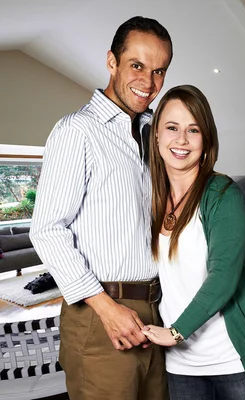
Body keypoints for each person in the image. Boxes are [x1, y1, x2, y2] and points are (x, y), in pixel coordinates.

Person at [30, 16, 173, 400]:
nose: (149, 82)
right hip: (100, 313)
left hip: (154, 313)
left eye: (159, 70)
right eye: (137, 65)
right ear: (112, 61)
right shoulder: (77, 130)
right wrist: (106, 309)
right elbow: (46, 229)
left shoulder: (151, 135)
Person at [141, 84, 245, 400]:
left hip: (234, 360)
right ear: (157, 136)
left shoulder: (223, 194)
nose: (182, 140)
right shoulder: (149, 200)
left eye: (194, 130)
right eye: (172, 128)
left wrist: (176, 332)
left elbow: (224, 278)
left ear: (206, 141)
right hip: (181, 366)